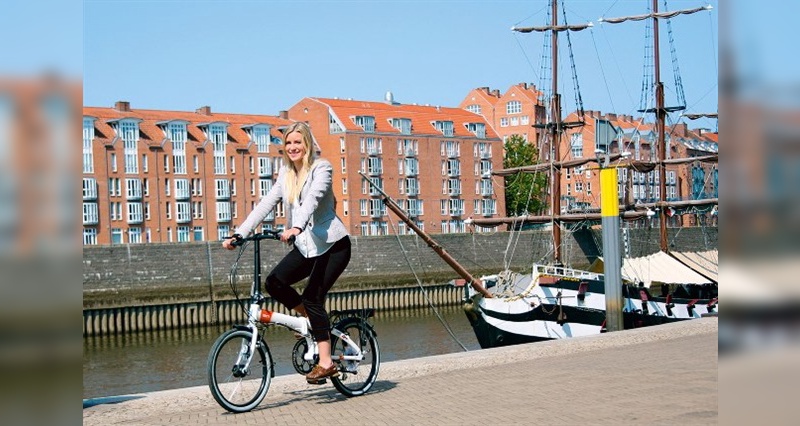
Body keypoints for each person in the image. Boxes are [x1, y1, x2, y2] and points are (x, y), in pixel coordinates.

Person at [222, 121, 350, 384]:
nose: (293, 147)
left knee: (313, 298)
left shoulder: (321, 168)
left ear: (308, 145)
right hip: (307, 246)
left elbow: (313, 200)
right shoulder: (286, 174)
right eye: (288, 143)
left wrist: (295, 227)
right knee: (274, 283)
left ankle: (326, 362)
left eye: (297, 142)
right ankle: (313, 323)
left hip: (333, 245)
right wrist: (239, 234)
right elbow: (265, 204)